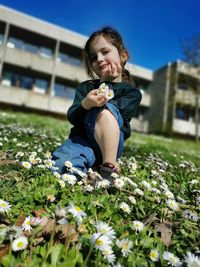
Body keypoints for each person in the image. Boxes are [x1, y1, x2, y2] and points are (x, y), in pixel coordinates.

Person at [51, 27, 142, 183]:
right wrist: (85, 104)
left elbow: (118, 116)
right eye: (94, 57)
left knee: (105, 112)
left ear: (123, 56)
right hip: (81, 142)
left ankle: (109, 168)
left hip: (109, 147)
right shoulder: (85, 88)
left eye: (105, 52)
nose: (99, 58)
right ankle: (86, 173)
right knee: (61, 165)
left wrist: (105, 85)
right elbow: (73, 117)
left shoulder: (132, 93)